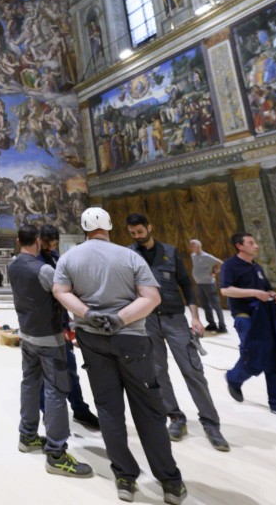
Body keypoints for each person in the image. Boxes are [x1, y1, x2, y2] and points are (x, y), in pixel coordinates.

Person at [53, 208, 186, 505]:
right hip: (132, 340)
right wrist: (120, 319)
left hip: (92, 338)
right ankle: (170, 483)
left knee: (109, 410)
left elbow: (60, 291)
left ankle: (125, 478)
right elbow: (152, 297)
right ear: (110, 226)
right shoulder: (130, 257)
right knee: (149, 411)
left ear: (84, 228)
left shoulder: (69, 258)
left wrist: (89, 313)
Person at [126, 214, 229, 453]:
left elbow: (185, 285)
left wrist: (195, 316)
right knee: (158, 371)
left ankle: (211, 423)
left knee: (192, 370)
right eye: (132, 233)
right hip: (147, 320)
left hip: (175, 318)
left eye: (140, 231)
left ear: (149, 227)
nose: (137, 236)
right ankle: (175, 417)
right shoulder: (129, 254)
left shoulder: (170, 252)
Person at [9, 224, 94, 479]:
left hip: (26, 336)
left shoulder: (12, 265)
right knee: (56, 391)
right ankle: (57, 454)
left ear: (17, 240)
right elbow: (63, 295)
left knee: (30, 384)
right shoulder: (44, 269)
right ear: (36, 240)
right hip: (49, 338)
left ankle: (27, 435)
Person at [220, 233, 276, 421]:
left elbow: (266, 289)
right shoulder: (230, 265)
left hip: (265, 316)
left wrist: (273, 294)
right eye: (251, 243)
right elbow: (226, 290)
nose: (256, 246)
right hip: (246, 316)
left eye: (256, 242)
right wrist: (253, 293)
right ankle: (234, 378)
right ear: (239, 246)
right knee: (254, 356)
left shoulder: (257, 267)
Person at [37, 225, 100, 430]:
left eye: (54, 244)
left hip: (60, 322)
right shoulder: (34, 261)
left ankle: (80, 410)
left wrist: (68, 322)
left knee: (70, 369)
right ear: (39, 240)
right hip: (42, 325)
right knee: (44, 375)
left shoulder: (56, 257)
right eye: (47, 244)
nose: (51, 248)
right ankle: (48, 413)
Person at [189, 239, 226, 333]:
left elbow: (221, 263)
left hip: (209, 284)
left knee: (216, 305)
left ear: (198, 246)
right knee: (205, 305)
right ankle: (211, 324)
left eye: (192, 245)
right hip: (199, 284)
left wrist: (214, 272)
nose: (190, 247)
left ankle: (222, 326)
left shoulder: (206, 256)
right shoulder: (193, 256)